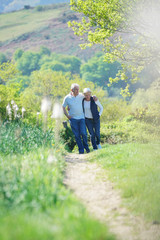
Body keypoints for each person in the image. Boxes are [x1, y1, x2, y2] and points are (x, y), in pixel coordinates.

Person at [62, 83, 90, 154]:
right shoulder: (67, 98)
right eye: (76, 89)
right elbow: (63, 107)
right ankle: (81, 150)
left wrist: (95, 97)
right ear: (72, 90)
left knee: (83, 133)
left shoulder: (81, 95)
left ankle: (87, 148)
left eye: (78, 89)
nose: (78, 91)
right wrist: (67, 116)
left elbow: (88, 96)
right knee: (77, 135)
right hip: (73, 119)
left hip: (81, 118)